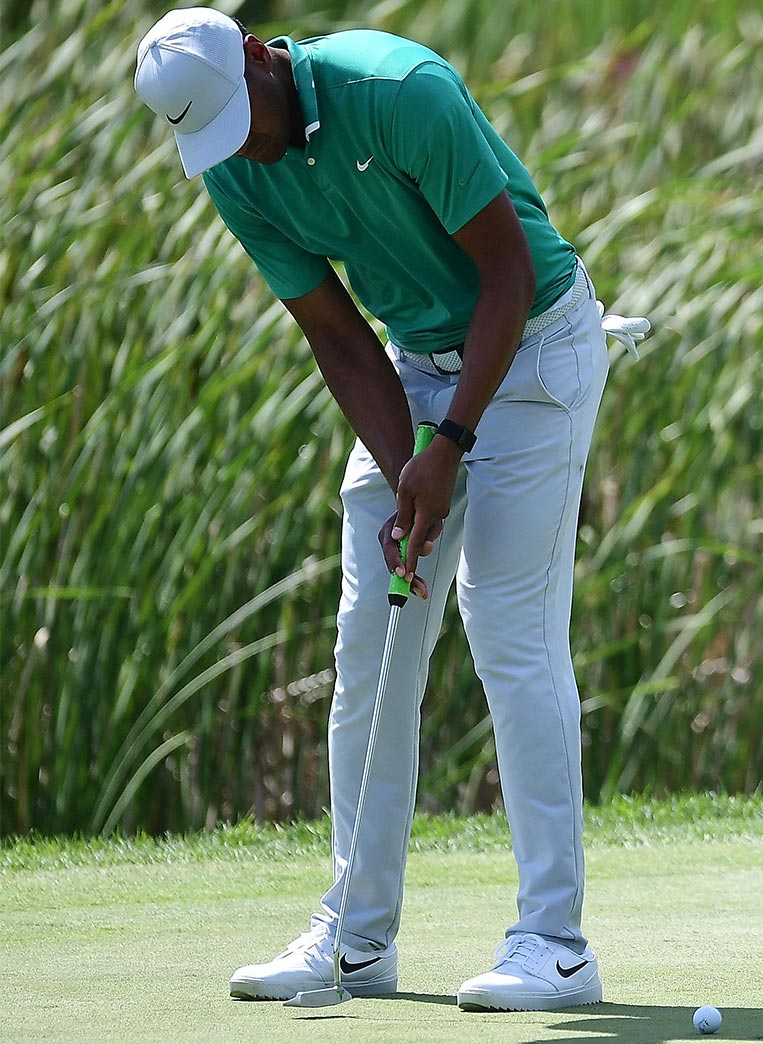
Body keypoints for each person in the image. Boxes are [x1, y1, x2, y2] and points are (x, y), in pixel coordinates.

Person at [133, 7, 646, 1012]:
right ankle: (355, 939)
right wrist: (408, 465)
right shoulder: (229, 159)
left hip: (534, 346)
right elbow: (330, 328)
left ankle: (555, 943)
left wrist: (448, 447)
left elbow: (506, 271)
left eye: (249, 117)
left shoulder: (396, 89)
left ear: (254, 52)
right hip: (412, 368)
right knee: (370, 635)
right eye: (225, 136)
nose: (253, 146)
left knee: (504, 623)